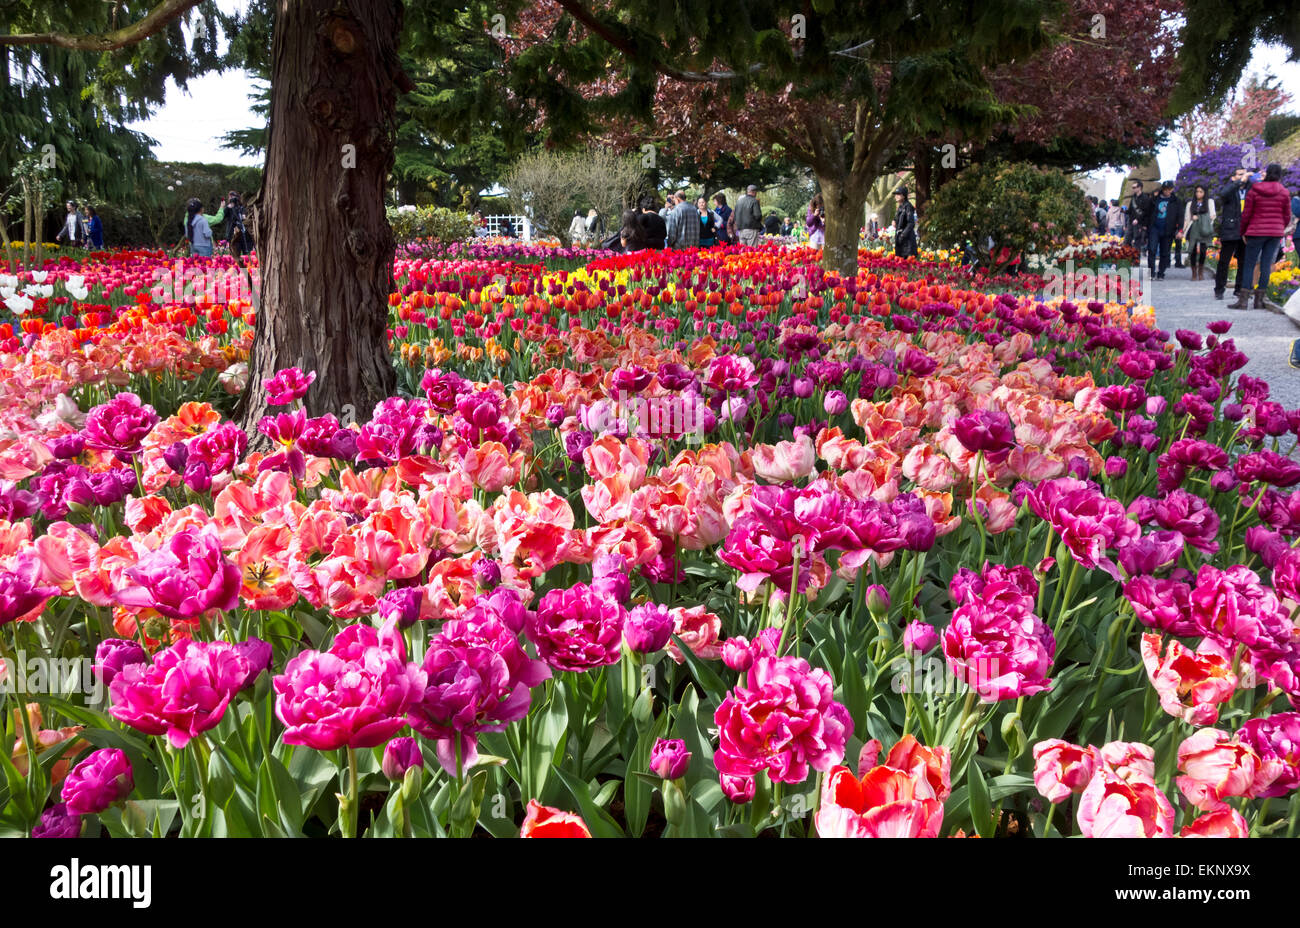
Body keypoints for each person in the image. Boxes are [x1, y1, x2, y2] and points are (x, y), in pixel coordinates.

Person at [1230, 163, 1293, 311]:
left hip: (1255, 232)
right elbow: (1286, 215)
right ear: (1279, 175)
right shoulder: (1284, 192)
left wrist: (1243, 232)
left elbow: (1246, 214)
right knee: (1266, 265)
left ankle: (1243, 301)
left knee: (1249, 264)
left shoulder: (1254, 190)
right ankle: (1259, 301)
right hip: (1274, 233)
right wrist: (1279, 227)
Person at [1214, 167, 1252, 301]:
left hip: (1245, 231)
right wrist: (1238, 182)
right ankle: (1219, 289)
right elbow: (1223, 195)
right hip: (1230, 230)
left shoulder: (1250, 189)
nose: (1243, 177)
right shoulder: (1231, 189)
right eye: (1240, 174)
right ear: (1233, 177)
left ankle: (1239, 289)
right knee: (1224, 261)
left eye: (1244, 174)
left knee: (1243, 262)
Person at [1143, 181, 1182, 280]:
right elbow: (1147, 213)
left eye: (1169, 189)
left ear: (1172, 189)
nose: (1167, 191)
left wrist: (1180, 230)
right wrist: (1145, 225)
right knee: (1152, 250)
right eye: (1165, 189)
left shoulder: (1176, 201)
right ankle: (1151, 273)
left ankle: (1161, 273)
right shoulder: (1155, 200)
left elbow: (1180, 216)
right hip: (1154, 228)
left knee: (1165, 252)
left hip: (1168, 229)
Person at [1180, 185, 1215, 281]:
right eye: (1197, 191)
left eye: (1201, 192)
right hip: (1193, 228)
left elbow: (1212, 216)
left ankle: (1201, 271)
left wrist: (1200, 218)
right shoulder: (1190, 204)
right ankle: (1194, 273)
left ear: (1205, 193)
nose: (1198, 194)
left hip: (1204, 228)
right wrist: (1182, 231)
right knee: (1193, 251)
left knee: (1203, 251)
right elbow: (1187, 218)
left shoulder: (1209, 202)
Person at [1124, 179, 1152, 250]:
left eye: (1134, 187)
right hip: (1131, 222)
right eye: (1132, 187)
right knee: (1126, 240)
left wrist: (1139, 221)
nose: (1133, 189)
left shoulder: (1145, 198)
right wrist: (1124, 211)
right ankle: (1127, 258)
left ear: (1139, 187)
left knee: (1137, 242)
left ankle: (1136, 260)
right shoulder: (1133, 197)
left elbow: (1146, 212)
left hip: (1139, 223)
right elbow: (1130, 210)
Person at [224, 192, 252, 260]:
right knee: (234, 253)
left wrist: (243, 217)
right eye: (230, 197)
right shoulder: (228, 209)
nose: (231, 199)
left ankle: (246, 265)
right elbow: (223, 215)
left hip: (242, 233)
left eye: (233, 197)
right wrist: (228, 207)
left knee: (245, 252)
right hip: (231, 232)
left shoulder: (241, 208)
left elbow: (244, 218)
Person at [893, 186, 918, 258]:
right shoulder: (900, 207)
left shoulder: (908, 206)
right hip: (900, 240)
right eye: (896, 194)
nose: (896, 196)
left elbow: (911, 223)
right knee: (900, 264)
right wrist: (894, 221)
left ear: (903, 196)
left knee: (907, 264)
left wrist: (902, 235)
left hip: (907, 242)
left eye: (898, 194)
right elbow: (899, 219)